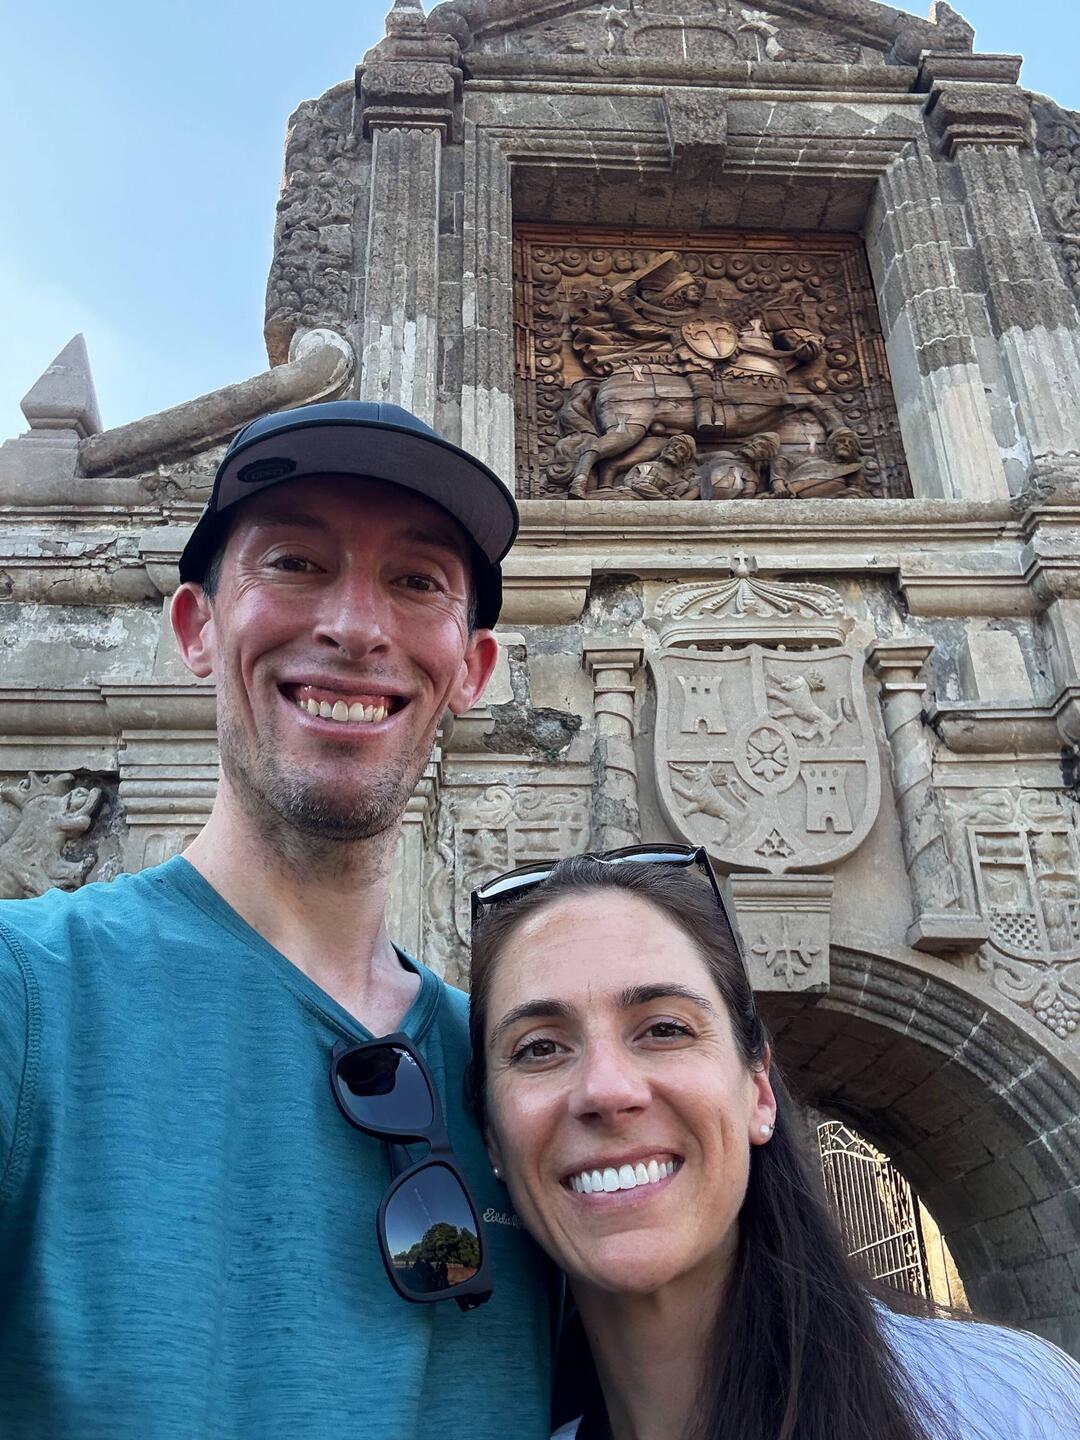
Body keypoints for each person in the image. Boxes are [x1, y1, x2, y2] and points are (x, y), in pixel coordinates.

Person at [0, 401, 555, 1439]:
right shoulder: (24, 997)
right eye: (295, 563)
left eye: (418, 581)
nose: (356, 625)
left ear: (473, 669)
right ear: (196, 627)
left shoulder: (532, 1086)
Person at [467, 849, 1080, 1440]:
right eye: (539, 1048)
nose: (606, 1089)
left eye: (665, 1029)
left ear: (759, 1092)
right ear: (492, 1137)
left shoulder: (1012, 1405)